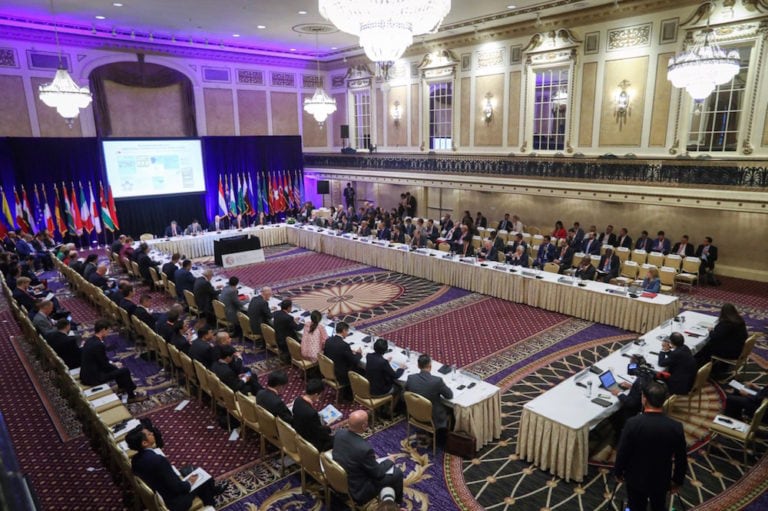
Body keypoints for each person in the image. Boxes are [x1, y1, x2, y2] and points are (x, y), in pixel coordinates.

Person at [614, 381, 687, 511]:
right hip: (661, 478)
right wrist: (677, 481)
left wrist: (618, 472)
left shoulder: (633, 423)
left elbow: (622, 452)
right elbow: (681, 459)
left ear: (644, 399)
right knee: (658, 506)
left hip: (635, 478)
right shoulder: (676, 427)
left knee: (636, 507)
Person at [127, 427, 219, 511]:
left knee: (189, 470)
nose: (152, 433)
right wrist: (189, 482)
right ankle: (210, 506)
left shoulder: (135, 460)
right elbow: (176, 488)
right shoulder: (159, 460)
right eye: (149, 434)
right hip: (175, 502)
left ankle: (212, 492)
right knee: (204, 480)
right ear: (144, 443)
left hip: (160, 492)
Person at [333, 410, 404, 506]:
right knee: (397, 473)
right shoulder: (364, 449)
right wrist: (389, 460)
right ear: (364, 426)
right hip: (358, 490)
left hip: (338, 478)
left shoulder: (339, 433)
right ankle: (395, 505)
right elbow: (378, 474)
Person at [81, 319, 146, 403]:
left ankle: (122, 387)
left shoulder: (90, 340)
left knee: (117, 369)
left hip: (87, 373)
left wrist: (113, 365)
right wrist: (115, 366)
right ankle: (131, 396)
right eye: (108, 330)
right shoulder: (99, 345)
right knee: (124, 370)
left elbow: (100, 359)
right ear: (103, 330)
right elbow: (104, 365)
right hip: (94, 377)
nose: (108, 333)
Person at [405, 354, 454, 443]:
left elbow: (405, 392)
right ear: (430, 366)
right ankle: (442, 438)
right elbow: (449, 395)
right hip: (433, 417)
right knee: (450, 410)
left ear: (418, 366)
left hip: (414, 413)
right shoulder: (437, 381)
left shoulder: (410, 378)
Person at [695, 303, 748, 370]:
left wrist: (710, 331)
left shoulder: (727, 324)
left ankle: (701, 366)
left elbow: (714, 336)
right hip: (739, 348)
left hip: (731, 352)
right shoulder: (739, 320)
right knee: (708, 345)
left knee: (707, 346)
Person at [292, 378, 334, 451]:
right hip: (311, 441)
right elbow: (318, 432)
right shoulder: (312, 413)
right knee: (336, 439)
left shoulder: (297, 400)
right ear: (316, 394)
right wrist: (328, 431)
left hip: (299, 432)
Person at [366, 338, 406, 413]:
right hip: (379, 390)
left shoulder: (369, 356)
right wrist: (401, 369)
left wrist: (386, 361)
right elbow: (395, 376)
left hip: (369, 386)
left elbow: (377, 364)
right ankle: (389, 411)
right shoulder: (383, 362)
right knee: (399, 388)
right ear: (385, 350)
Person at [324, 321, 362, 395]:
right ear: (344, 330)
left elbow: (327, 353)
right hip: (340, 375)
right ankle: (353, 394)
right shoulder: (344, 345)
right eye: (347, 331)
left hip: (329, 370)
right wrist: (359, 354)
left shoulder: (328, 340)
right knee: (361, 369)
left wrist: (349, 352)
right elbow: (355, 360)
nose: (347, 333)